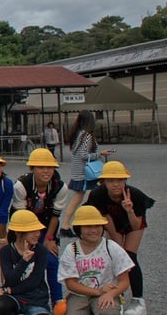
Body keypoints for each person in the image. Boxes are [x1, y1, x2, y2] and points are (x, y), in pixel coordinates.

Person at [85, 161, 153, 315]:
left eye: (120, 180)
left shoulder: (135, 195)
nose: (116, 184)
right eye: (110, 181)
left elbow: (136, 225)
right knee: (115, 257)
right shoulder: (97, 194)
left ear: (125, 181)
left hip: (132, 221)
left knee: (129, 257)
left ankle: (138, 301)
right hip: (112, 222)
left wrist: (129, 210)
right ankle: (118, 297)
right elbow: (106, 220)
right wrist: (117, 245)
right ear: (103, 182)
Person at [11, 148, 70, 303]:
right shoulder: (21, 185)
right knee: (21, 261)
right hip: (21, 228)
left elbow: (56, 215)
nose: (46, 171)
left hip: (46, 227)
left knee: (51, 260)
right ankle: (19, 298)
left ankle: (57, 300)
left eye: (50, 167)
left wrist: (49, 238)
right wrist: (28, 241)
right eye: (41, 167)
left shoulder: (60, 187)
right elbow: (21, 215)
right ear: (32, 169)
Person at [57, 206, 133, 315]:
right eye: (88, 226)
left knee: (108, 312)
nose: (93, 230)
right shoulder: (72, 249)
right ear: (79, 228)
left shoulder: (111, 247)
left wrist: (111, 294)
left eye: (97, 226)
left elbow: (124, 281)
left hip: (107, 293)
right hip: (79, 295)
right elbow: (71, 284)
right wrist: (97, 291)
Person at [58, 111, 113, 240]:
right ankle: (89, 221)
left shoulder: (77, 134)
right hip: (86, 172)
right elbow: (84, 155)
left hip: (78, 171)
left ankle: (66, 226)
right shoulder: (87, 135)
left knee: (78, 198)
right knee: (93, 196)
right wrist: (100, 154)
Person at [0, 210, 52, 315]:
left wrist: (8, 290)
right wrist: (24, 261)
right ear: (18, 233)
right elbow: (10, 279)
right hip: (14, 298)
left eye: (38, 230)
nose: (37, 234)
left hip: (35, 299)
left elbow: (35, 281)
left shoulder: (41, 251)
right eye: (32, 231)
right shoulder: (6, 251)